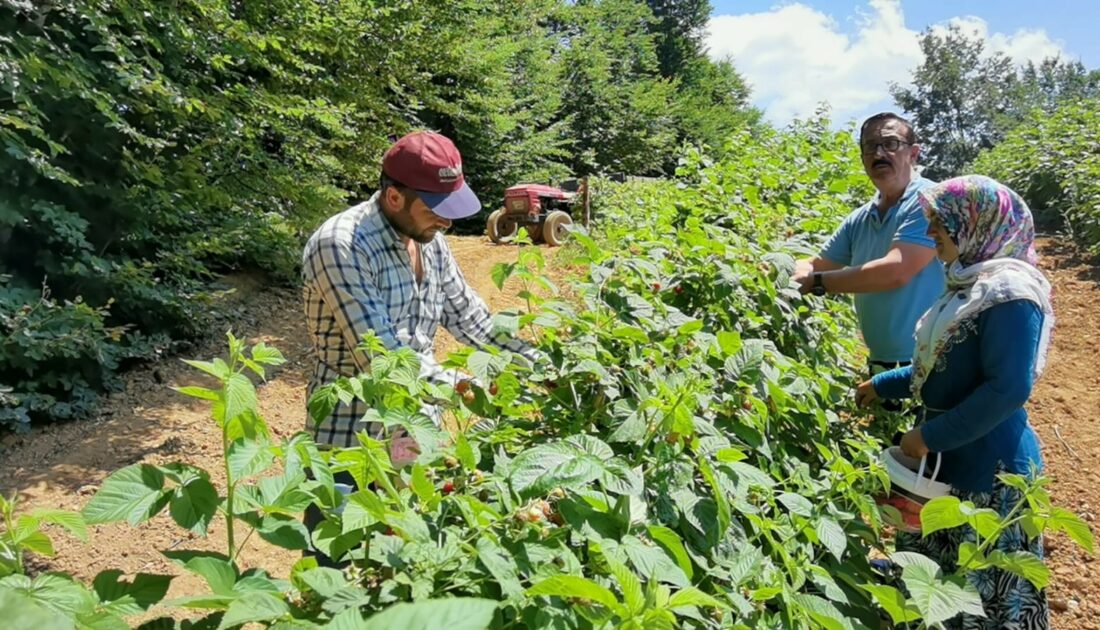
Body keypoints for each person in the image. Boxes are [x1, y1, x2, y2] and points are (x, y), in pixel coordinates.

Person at [299, 131, 537, 563]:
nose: (447, 222)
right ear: (393, 197)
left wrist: (537, 362)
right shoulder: (341, 245)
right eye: (436, 210)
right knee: (334, 571)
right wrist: (468, 385)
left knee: (401, 567)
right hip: (350, 443)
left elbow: (472, 318)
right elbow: (386, 363)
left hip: (411, 435)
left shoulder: (432, 241)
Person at [856, 175, 1053, 628]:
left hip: (990, 467)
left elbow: (1008, 389)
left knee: (982, 592)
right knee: (934, 579)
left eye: (938, 224)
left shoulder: (1010, 295)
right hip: (954, 458)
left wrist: (929, 435)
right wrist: (882, 384)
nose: (931, 234)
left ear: (975, 223)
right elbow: (940, 366)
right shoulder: (968, 285)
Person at [791, 113, 944, 395]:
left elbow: (896, 271)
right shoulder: (861, 218)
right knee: (888, 436)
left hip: (931, 358)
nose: (879, 153)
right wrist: (783, 269)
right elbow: (818, 263)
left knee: (920, 437)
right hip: (881, 358)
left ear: (913, 153)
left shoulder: (930, 200)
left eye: (890, 143)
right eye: (870, 146)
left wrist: (818, 282)